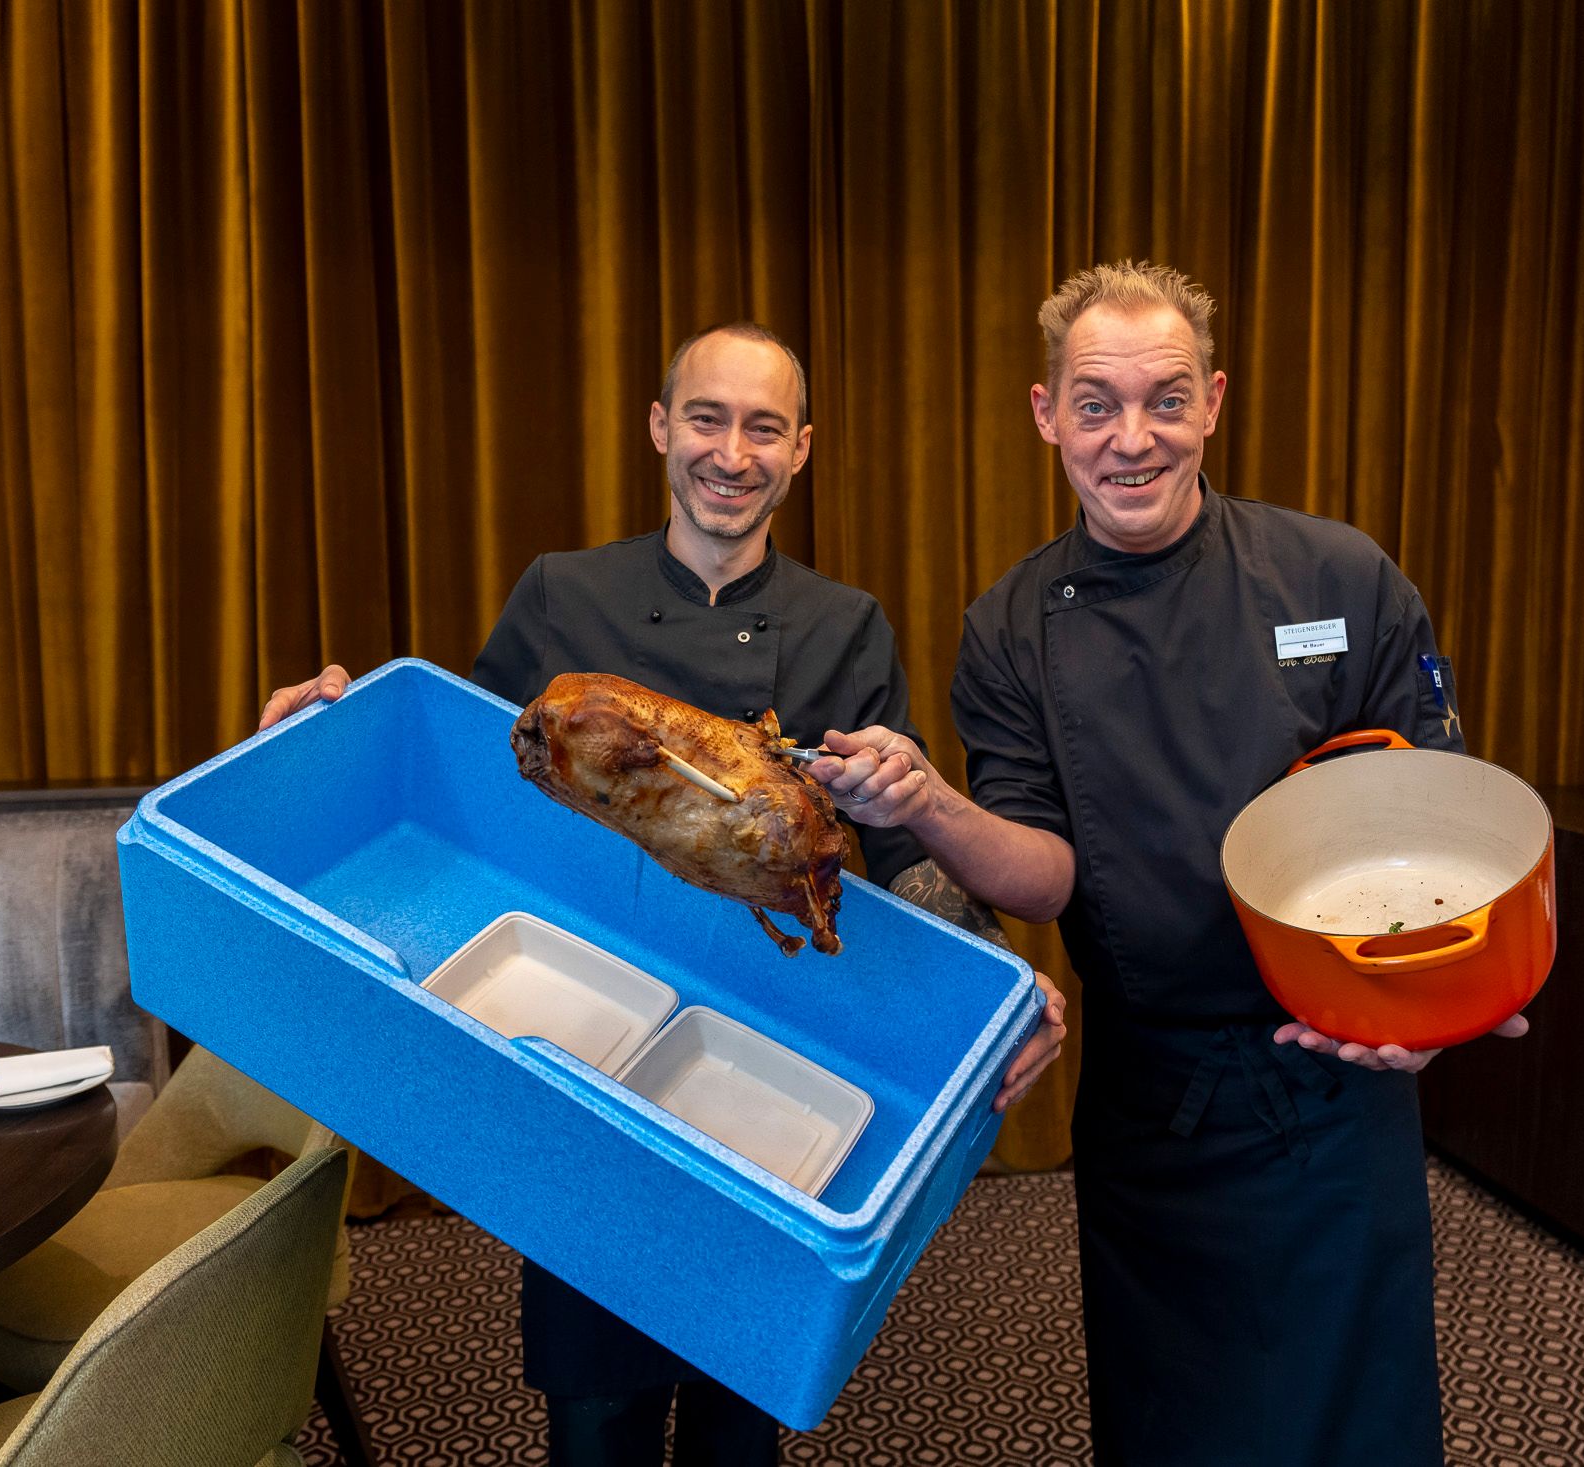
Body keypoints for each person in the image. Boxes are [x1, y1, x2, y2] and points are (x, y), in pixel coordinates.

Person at [261, 321, 1067, 1467]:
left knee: (747, 1399)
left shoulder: (847, 626)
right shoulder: (563, 596)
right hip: (592, 1030)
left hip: (774, 1049)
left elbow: (888, 860)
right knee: (597, 1407)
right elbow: (467, 773)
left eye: (762, 428)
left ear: (801, 452)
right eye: (705, 417)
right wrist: (335, 730)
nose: (730, 454)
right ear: (658, 427)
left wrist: (996, 982)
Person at [811, 263, 1529, 1466]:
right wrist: (930, 803)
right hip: (1160, 1100)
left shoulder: (1336, 578)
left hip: (1339, 1076)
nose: (1130, 439)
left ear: (1214, 404)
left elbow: (1432, 821)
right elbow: (1041, 875)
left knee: (1360, 1420)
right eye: (1095, 403)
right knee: (1172, 1422)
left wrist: (1440, 999)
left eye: (1165, 399)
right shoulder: (1010, 626)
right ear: (1046, 416)